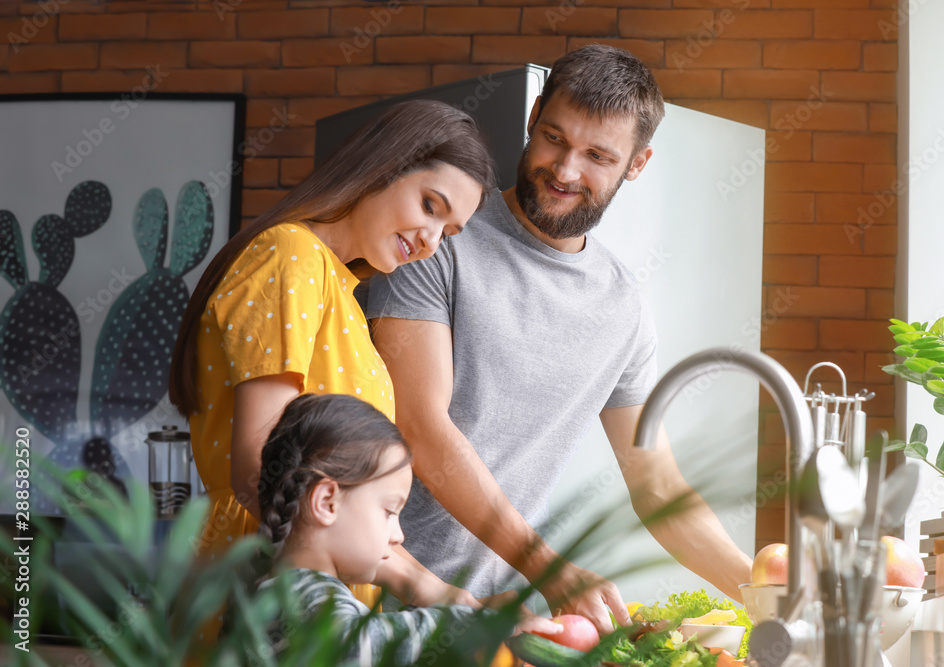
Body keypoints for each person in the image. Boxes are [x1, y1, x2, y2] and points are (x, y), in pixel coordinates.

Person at [366, 45, 753, 633]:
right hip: (389, 599)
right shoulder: (439, 240)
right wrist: (549, 567)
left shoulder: (622, 306)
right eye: (554, 138)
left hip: (510, 621)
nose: (565, 170)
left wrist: (765, 590)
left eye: (597, 155)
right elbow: (422, 425)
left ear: (637, 163)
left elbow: (656, 484)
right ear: (533, 117)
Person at [168, 99, 495, 612]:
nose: (431, 241)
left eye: (448, 233)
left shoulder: (341, 292)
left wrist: (454, 599)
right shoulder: (291, 256)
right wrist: (440, 597)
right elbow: (261, 472)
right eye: (431, 206)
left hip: (318, 599)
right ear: (383, 167)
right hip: (265, 598)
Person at [253, 393, 561, 663]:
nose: (398, 535)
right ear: (327, 502)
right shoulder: (295, 594)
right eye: (389, 511)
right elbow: (357, 646)